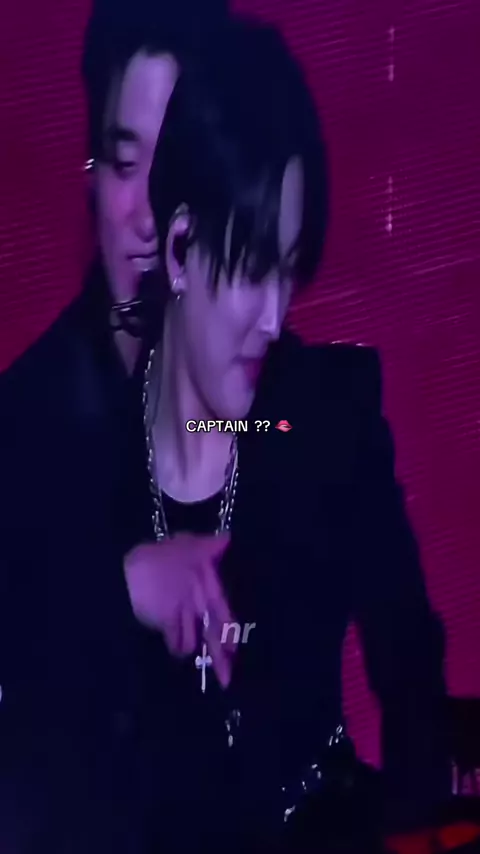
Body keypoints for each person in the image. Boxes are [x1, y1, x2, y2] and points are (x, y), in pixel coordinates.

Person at [0, 7, 450, 854]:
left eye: (288, 270)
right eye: (250, 269)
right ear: (180, 248)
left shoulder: (317, 417)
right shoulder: (63, 443)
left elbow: (412, 674)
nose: (274, 317)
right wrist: (120, 589)